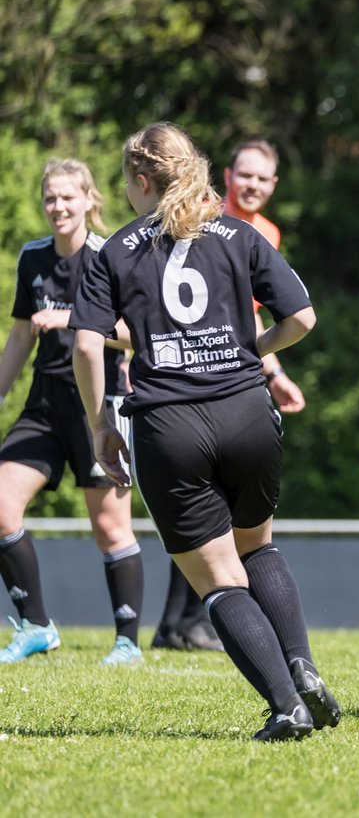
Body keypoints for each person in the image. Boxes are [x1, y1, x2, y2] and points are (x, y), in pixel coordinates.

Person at [70, 122, 339, 741]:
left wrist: (99, 426)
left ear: (140, 181)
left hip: (170, 424)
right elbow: (302, 317)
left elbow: (86, 343)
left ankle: (285, 706)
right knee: (258, 546)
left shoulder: (113, 249)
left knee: (217, 580)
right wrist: (252, 349)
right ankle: (301, 665)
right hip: (247, 412)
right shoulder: (238, 232)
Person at [152, 137, 303, 653]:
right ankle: (182, 624)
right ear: (228, 176)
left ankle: (179, 625)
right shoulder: (204, 216)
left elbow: (250, 313)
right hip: (185, 376)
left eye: (263, 178)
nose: (253, 185)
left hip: (229, 371)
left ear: (274, 185)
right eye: (246, 175)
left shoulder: (267, 232)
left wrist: (272, 370)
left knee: (209, 509)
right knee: (208, 512)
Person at [0, 159, 144, 666]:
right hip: (43, 403)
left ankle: (127, 642)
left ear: (89, 199)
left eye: (67, 197)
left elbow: (133, 330)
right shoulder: (32, 257)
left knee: (109, 526)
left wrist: (71, 318)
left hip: (99, 403)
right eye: (50, 198)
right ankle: (36, 627)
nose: (58, 207)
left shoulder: (111, 255)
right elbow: (21, 336)